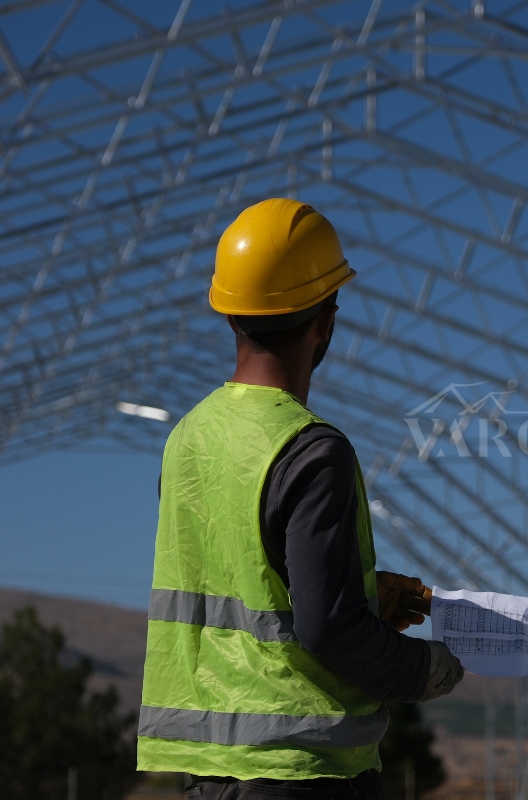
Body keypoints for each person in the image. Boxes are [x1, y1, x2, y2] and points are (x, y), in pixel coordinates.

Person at [137, 198, 464, 799]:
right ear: (327, 320)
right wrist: (423, 670)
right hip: (298, 770)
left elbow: (246, 574)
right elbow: (328, 629)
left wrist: (357, 591)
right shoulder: (312, 451)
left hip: (208, 772)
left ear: (230, 315)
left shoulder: (187, 438)